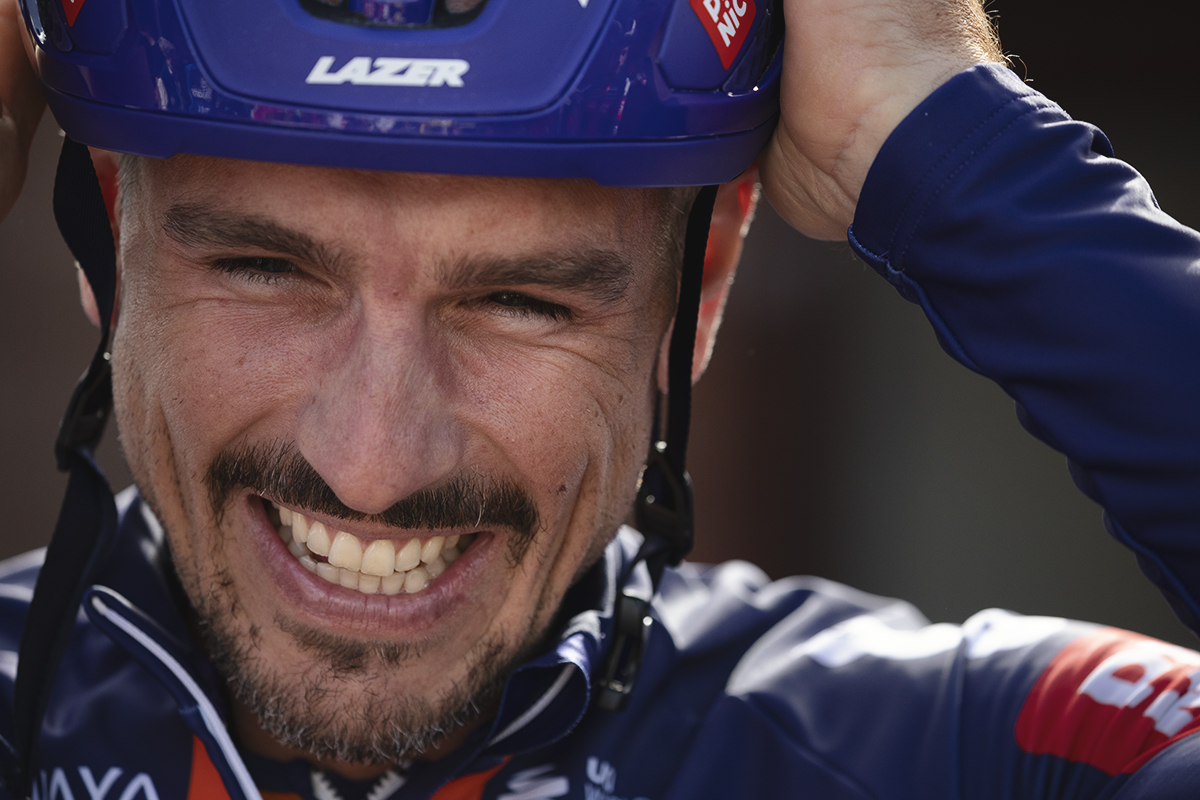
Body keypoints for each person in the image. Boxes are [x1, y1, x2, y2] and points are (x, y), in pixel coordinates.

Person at [2, 0, 1200, 798]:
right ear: (114, 236)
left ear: (705, 278)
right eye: (263, 269)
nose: (372, 461)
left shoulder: (937, 750)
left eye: (523, 299)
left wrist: (941, 132)